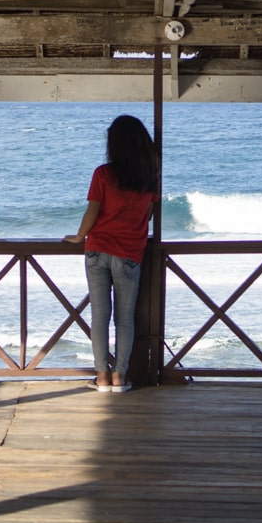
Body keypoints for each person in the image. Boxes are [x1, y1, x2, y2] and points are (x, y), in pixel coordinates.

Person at [63, 115, 158, 393]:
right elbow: (148, 214)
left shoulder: (103, 173)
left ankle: (102, 376)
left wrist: (79, 236)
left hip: (97, 251)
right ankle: (120, 376)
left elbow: (92, 210)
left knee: (100, 315)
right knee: (124, 319)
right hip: (129, 254)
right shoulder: (150, 176)